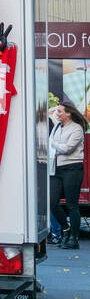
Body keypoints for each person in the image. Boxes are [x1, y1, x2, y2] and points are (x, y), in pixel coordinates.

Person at [49, 98, 87, 249]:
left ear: (69, 114)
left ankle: (74, 239)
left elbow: (67, 149)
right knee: (51, 202)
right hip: (57, 168)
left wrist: (52, 143)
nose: (57, 113)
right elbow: (49, 113)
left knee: (72, 205)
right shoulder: (58, 125)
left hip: (73, 168)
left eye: (60, 111)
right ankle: (66, 229)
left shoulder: (76, 129)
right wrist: (53, 109)